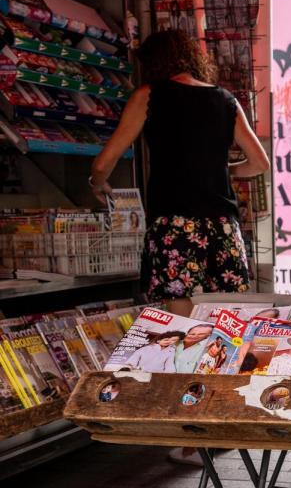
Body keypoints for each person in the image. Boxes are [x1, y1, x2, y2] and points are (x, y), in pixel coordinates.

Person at [89, 29, 270, 318]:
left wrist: (96, 183)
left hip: (175, 225)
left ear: (153, 64)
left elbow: (102, 164)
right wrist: (220, 170)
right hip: (223, 227)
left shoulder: (148, 96)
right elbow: (260, 163)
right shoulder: (227, 100)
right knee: (228, 325)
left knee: (182, 324)